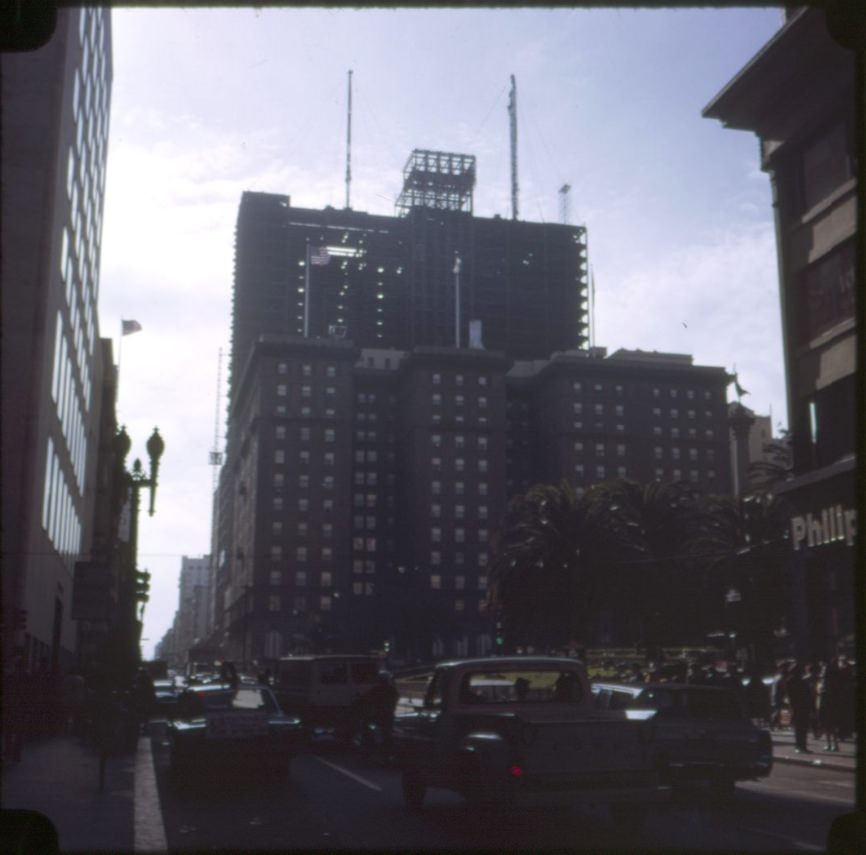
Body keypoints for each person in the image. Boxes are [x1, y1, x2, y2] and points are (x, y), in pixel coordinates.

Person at [354, 672, 398, 757]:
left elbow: (365, 698)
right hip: (385, 716)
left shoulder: (380, 690)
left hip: (380, 716)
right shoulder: (390, 690)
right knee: (369, 726)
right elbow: (364, 698)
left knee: (367, 725)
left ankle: (374, 747)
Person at [786, 661, 813, 753]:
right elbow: (791, 696)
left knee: (801, 727)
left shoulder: (793, 681)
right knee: (800, 727)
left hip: (800, 706)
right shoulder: (794, 681)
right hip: (799, 706)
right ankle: (800, 746)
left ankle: (801, 746)